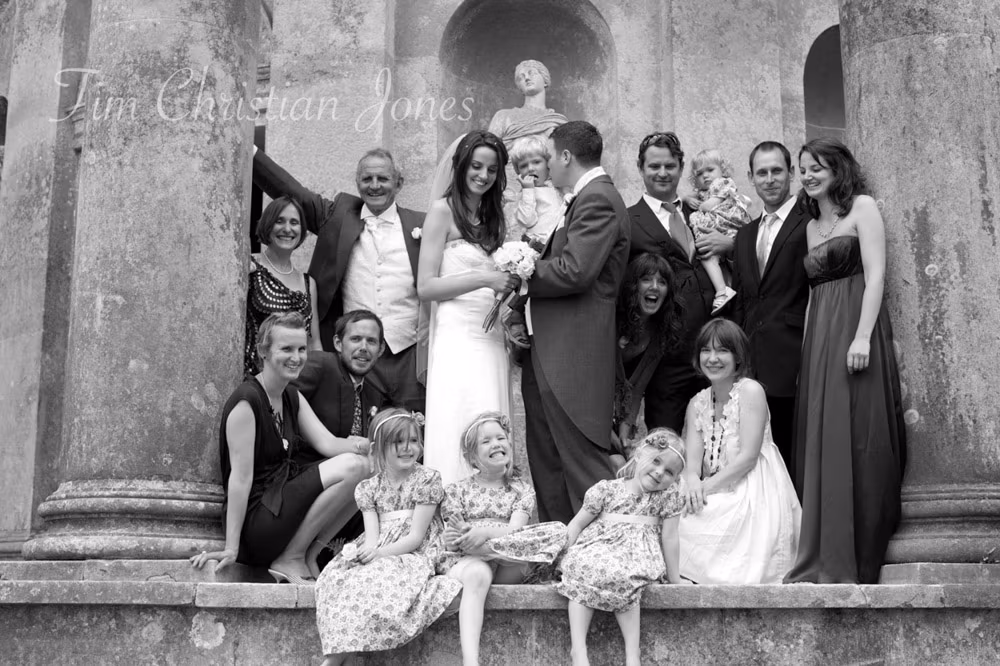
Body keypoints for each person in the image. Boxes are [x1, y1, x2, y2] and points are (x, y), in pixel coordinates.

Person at [784, 138, 906, 584]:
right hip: (820, 336)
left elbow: (876, 275)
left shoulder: (863, 208)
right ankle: (823, 551)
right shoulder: (812, 225)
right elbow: (815, 294)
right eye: (803, 169)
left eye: (816, 167)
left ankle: (859, 550)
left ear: (837, 168)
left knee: (857, 433)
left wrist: (862, 337)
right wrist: (807, 352)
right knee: (823, 436)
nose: (808, 175)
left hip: (856, 326)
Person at [190, 312, 371, 584]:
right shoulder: (246, 402)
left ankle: (308, 555)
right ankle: (290, 558)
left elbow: (328, 443)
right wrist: (231, 546)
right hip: (258, 523)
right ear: (263, 351)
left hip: (283, 508)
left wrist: (372, 444)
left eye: (301, 349)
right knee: (355, 466)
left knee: (366, 470)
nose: (296, 357)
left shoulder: (290, 394)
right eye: (286, 349)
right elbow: (240, 479)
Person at [510, 120, 631, 524]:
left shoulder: (597, 198)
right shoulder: (579, 198)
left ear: (565, 156)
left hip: (574, 350)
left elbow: (577, 270)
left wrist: (522, 272)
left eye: (548, 157)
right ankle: (557, 547)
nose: (544, 165)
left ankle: (613, 547)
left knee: (580, 458)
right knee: (548, 457)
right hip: (550, 345)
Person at [253, 145, 426, 412]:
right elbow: (290, 190)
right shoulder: (337, 216)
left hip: (410, 354)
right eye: (367, 179)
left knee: (412, 432)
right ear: (357, 183)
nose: (375, 186)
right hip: (354, 356)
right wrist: (249, 151)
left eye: (383, 179)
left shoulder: (423, 224)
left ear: (399, 183)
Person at [314, 408, 462, 666]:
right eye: (398, 442)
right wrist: (367, 553)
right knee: (339, 577)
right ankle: (342, 654)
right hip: (382, 545)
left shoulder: (427, 479)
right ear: (380, 447)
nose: (408, 449)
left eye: (414, 441)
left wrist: (380, 554)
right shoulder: (369, 487)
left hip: (411, 552)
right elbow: (372, 537)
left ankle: (334, 661)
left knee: (381, 575)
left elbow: (416, 537)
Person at [418, 130, 519, 484]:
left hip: (491, 337)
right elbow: (426, 286)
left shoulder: (495, 217)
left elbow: (499, 280)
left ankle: (492, 503)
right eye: (476, 166)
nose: (483, 176)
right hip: (456, 335)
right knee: (458, 414)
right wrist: (484, 279)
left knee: (490, 412)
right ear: (461, 166)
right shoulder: (441, 211)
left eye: (492, 170)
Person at [437, 412, 568, 666]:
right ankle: (471, 662)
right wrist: (461, 537)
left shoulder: (521, 489)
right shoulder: (456, 491)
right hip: (469, 561)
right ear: (471, 456)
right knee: (477, 572)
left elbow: (516, 532)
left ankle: (485, 550)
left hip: (508, 561)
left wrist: (482, 534)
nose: (496, 444)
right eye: (486, 441)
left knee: (558, 531)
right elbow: (452, 540)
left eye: (501, 437)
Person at [678, 318, 801, 584]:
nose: (712, 358)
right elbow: (691, 465)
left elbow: (748, 458)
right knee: (675, 509)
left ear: (737, 357)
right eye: (706, 350)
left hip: (754, 486)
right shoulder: (697, 402)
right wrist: (691, 484)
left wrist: (704, 488)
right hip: (711, 485)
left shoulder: (751, 391)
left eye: (722, 350)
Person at [554, 429, 687, 666]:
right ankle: (579, 651)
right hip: (598, 547)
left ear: (675, 479)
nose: (659, 473)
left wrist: (675, 578)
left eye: (669, 472)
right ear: (638, 455)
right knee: (582, 569)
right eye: (656, 461)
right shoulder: (606, 489)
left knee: (624, 574)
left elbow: (670, 537)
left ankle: (632, 655)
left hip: (637, 554)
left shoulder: (667, 497)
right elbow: (577, 524)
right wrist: (562, 552)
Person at [627, 132, 725, 433]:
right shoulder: (628, 221)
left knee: (720, 444)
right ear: (641, 169)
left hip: (714, 351)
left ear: (681, 168)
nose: (662, 172)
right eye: (654, 166)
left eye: (670, 165)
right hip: (666, 358)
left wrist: (729, 245)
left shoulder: (703, 211)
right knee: (666, 442)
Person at [725, 141, 810, 467]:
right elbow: (743, 298)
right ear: (751, 177)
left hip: (795, 360)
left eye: (777, 171)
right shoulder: (744, 235)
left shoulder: (809, 224)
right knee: (755, 458)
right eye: (762, 172)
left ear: (791, 174)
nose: (770, 178)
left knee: (791, 456)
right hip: (751, 365)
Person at [291, 309, 388, 574]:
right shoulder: (320, 364)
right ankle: (292, 554)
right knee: (363, 466)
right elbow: (282, 396)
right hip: (298, 471)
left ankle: (312, 555)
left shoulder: (375, 391)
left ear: (380, 350)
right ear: (337, 343)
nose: (363, 348)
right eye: (355, 339)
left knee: (378, 469)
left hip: (340, 481)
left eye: (371, 342)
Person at [612, 253, 685, 461]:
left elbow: (636, 389)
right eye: (646, 279)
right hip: (591, 412)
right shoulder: (611, 322)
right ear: (632, 285)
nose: (654, 286)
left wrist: (625, 432)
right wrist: (610, 436)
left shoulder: (660, 331)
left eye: (662, 282)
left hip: (620, 414)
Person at [244, 196, 321, 376]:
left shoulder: (308, 283)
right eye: (279, 221)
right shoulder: (249, 265)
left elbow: (314, 344)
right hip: (252, 381)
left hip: (294, 385)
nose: (287, 229)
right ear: (267, 225)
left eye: (294, 222)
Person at [685, 149, 752, 314]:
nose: (705, 176)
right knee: (707, 255)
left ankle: (726, 290)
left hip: (728, 225)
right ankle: (722, 291)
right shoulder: (703, 191)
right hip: (715, 228)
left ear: (722, 169)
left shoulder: (724, 183)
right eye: (700, 173)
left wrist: (700, 205)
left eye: (710, 170)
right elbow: (686, 196)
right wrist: (687, 198)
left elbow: (710, 204)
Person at [509, 135, 564, 242]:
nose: (530, 169)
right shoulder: (525, 194)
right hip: (537, 247)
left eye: (536, 162)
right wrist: (528, 190)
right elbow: (527, 220)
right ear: (518, 171)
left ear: (548, 164)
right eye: (523, 166)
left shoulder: (557, 186)